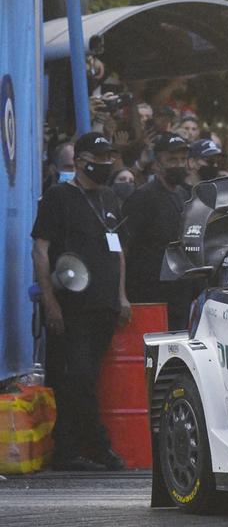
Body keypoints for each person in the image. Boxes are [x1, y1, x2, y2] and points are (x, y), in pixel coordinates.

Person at [31, 132, 130, 471]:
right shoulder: (58, 198)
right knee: (80, 376)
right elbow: (41, 250)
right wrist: (50, 301)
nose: (103, 164)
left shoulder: (110, 200)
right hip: (72, 304)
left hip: (103, 304)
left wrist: (121, 296)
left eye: (108, 158)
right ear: (80, 159)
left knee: (83, 378)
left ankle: (67, 445)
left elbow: (118, 252)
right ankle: (97, 445)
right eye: (97, 157)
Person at [123, 134, 194, 329]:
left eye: (182, 159)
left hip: (180, 294)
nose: (178, 165)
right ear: (157, 164)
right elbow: (125, 248)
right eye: (172, 160)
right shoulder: (142, 198)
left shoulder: (186, 196)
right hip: (149, 296)